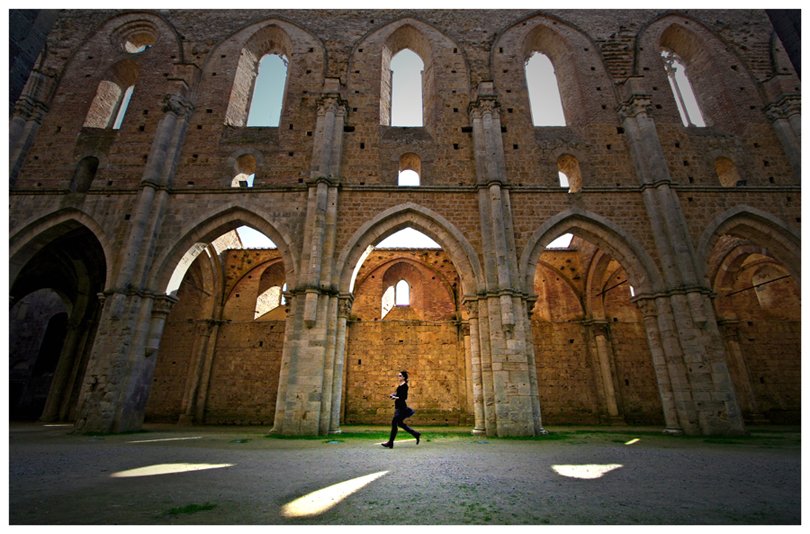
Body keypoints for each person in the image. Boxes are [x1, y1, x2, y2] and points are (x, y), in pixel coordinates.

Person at [381, 370, 421, 448]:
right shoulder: (400, 385)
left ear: (403, 377)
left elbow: (404, 397)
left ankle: (390, 443)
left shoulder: (405, 386)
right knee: (399, 423)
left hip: (402, 408)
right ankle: (416, 434)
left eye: (400, 376)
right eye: (398, 375)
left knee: (394, 423)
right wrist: (393, 395)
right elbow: (399, 394)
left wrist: (395, 397)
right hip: (398, 407)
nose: (398, 377)